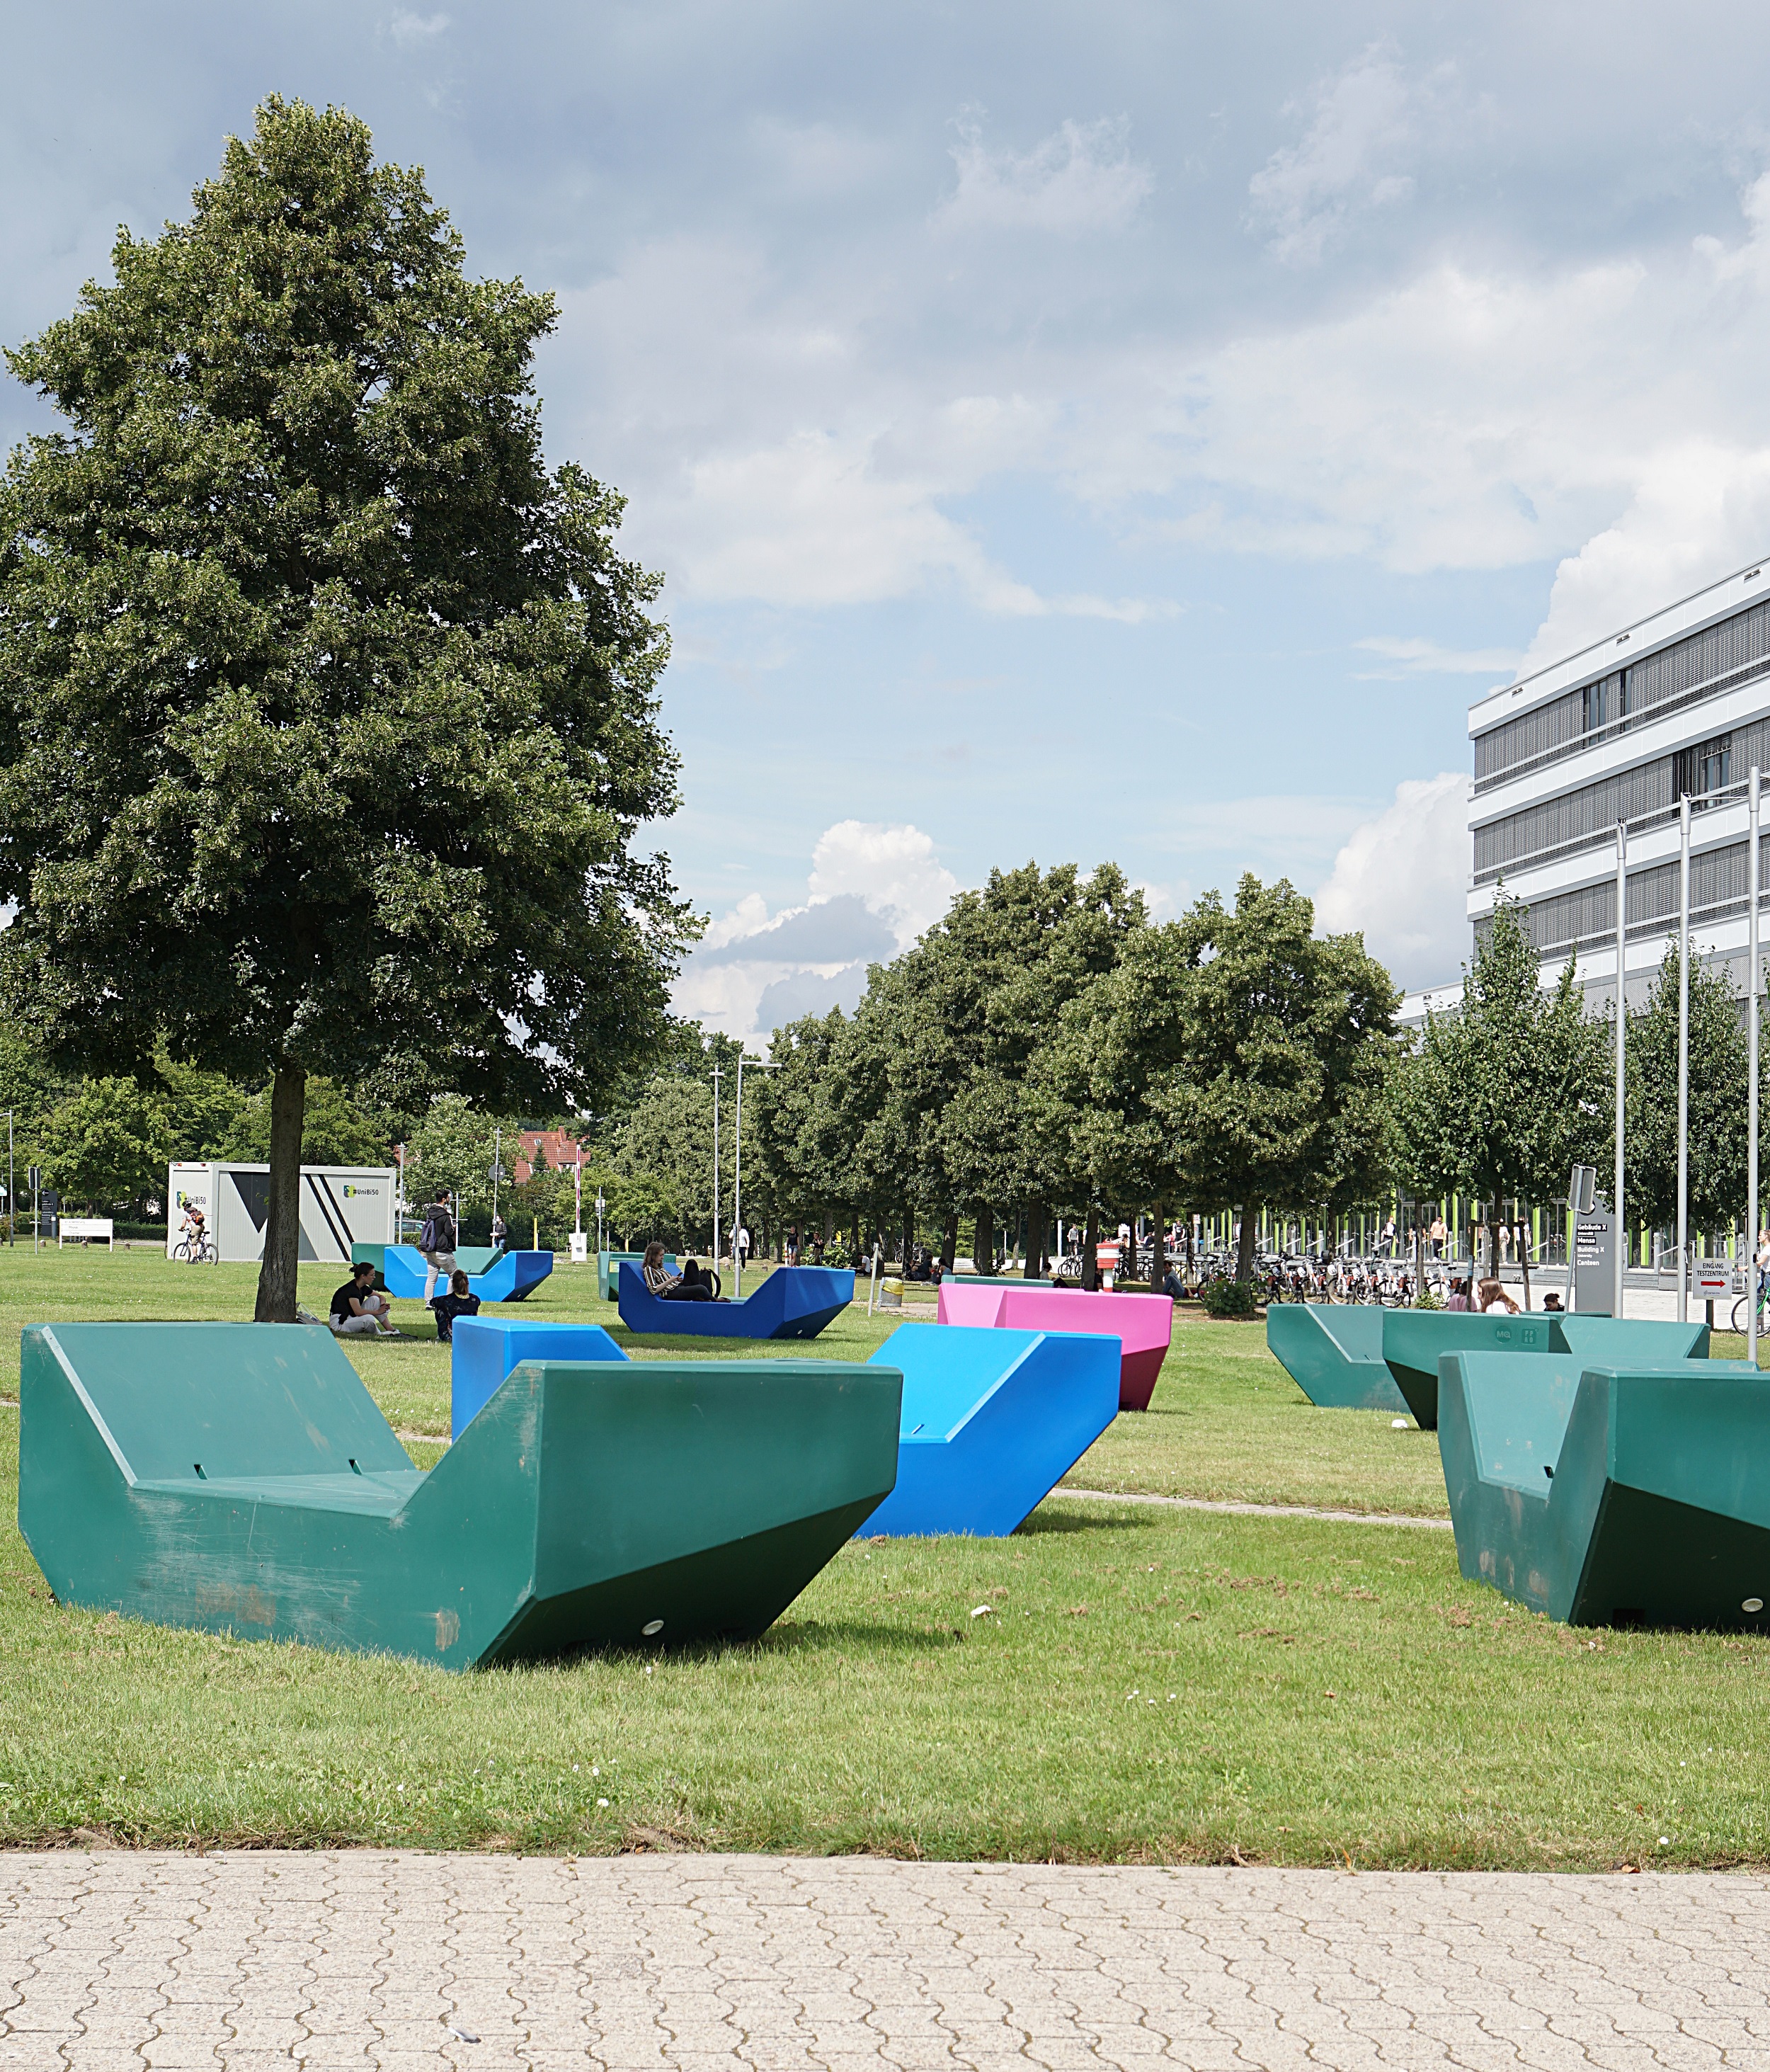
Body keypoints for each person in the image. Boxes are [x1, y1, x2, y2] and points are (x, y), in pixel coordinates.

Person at [331, 1259, 399, 1337]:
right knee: (368, 1319)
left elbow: (380, 1296)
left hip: (351, 1317)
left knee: (375, 1299)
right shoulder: (352, 1289)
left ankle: (391, 1330)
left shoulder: (363, 1287)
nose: (374, 1277)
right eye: (372, 1275)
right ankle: (380, 1334)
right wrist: (378, 1311)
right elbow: (358, 1312)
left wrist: (382, 1304)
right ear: (363, 1276)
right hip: (340, 1323)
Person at [641, 1239, 718, 1301]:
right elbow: (653, 1290)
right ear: (653, 1256)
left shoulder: (660, 1268)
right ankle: (713, 1299)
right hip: (671, 1293)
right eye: (661, 1255)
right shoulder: (649, 1269)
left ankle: (698, 1296)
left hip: (678, 1286)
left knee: (691, 1263)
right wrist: (669, 1281)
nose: (663, 1258)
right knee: (701, 1288)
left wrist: (676, 1280)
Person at [419, 1186, 457, 1304]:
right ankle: (449, 1301)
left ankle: (428, 1303)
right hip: (443, 1250)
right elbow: (448, 1232)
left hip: (430, 1250)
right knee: (454, 1275)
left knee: (431, 1278)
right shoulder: (445, 1215)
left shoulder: (430, 1212)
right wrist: (454, 1228)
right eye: (448, 1197)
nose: (449, 1199)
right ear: (444, 1199)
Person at [430, 1268, 481, 1344]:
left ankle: (443, 1332)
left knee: (440, 1308)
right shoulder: (475, 1299)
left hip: (451, 1336)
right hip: (470, 1335)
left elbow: (432, 1302)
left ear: (453, 1284)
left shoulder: (446, 1300)